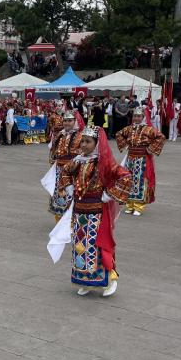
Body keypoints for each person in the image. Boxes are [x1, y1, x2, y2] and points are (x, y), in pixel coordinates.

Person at [48, 126, 132, 297]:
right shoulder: (78, 160)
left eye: (88, 142)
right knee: (80, 246)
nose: (84, 145)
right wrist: (69, 187)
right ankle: (84, 281)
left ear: (96, 143)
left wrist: (109, 194)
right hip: (79, 211)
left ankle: (109, 280)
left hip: (97, 211)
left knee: (97, 245)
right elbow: (65, 172)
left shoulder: (104, 162)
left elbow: (125, 176)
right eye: (82, 141)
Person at [116, 108, 165, 216]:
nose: (136, 118)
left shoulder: (149, 130)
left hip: (143, 159)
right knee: (129, 181)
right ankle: (129, 205)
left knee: (141, 182)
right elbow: (119, 134)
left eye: (139, 116)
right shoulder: (129, 129)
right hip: (130, 159)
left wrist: (150, 149)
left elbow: (161, 137)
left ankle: (138, 206)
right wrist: (125, 145)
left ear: (143, 117)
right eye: (135, 116)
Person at [43, 111, 82, 221]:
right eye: (65, 120)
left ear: (75, 121)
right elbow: (53, 152)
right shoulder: (60, 134)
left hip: (73, 172)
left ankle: (71, 222)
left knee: (72, 196)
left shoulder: (81, 136)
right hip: (59, 171)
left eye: (70, 120)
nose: (67, 123)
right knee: (59, 196)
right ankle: (59, 223)